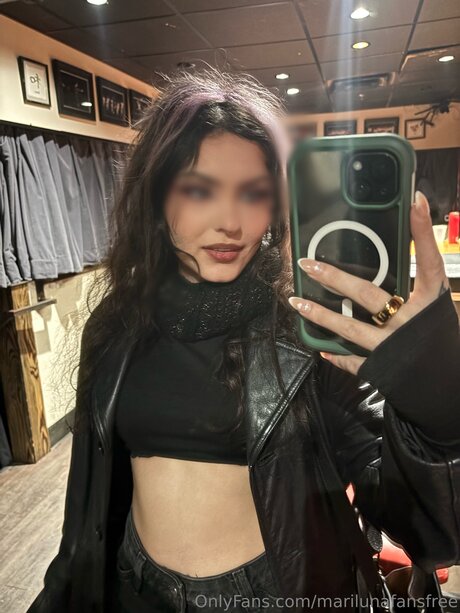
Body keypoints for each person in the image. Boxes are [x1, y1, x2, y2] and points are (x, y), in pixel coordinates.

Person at [28, 67, 460, 613]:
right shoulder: (118, 322)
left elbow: (429, 533)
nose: (230, 222)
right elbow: (87, 505)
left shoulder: (309, 328)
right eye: (199, 190)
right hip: (133, 586)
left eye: (253, 193)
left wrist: (436, 395)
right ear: (157, 197)